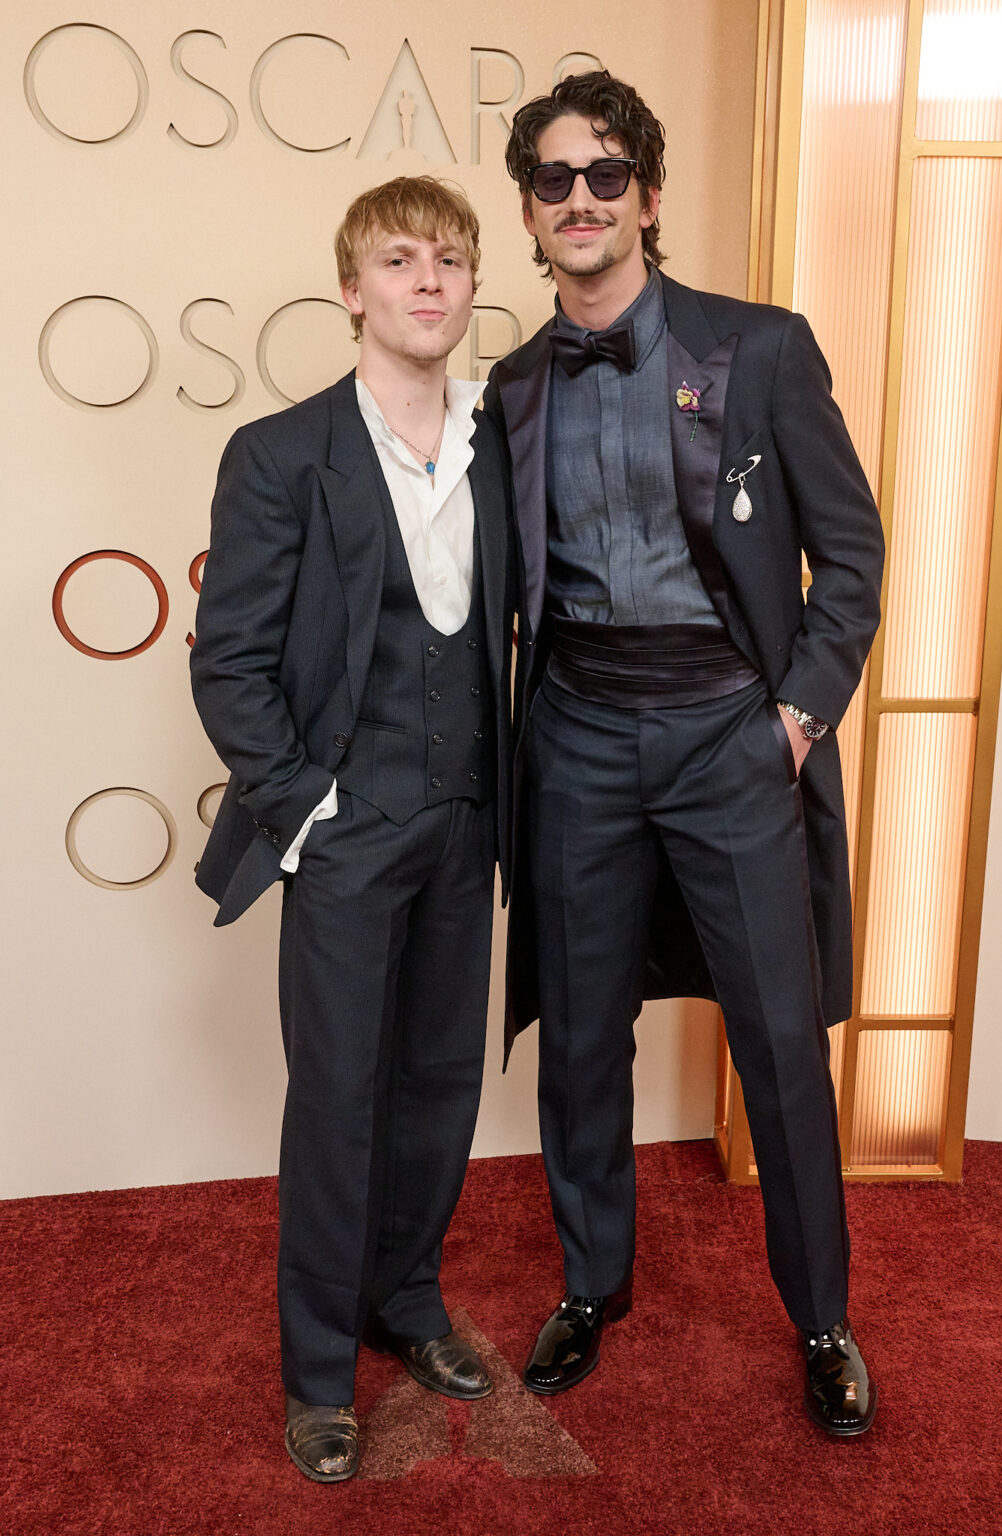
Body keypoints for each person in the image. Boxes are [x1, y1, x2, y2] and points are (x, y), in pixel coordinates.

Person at [484, 71, 884, 1436]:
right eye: (554, 180)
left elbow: (852, 555)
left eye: (606, 175)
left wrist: (796, 720)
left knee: (779, 1039)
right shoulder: (514, 385)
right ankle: (592, 1283)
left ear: (649, 197)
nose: (581, 199)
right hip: (579, 737)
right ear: (530, 213)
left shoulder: (760, 348)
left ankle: (822, 1317)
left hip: (729, 733)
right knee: (581, 1035)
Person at [191, 176, 512, 1481]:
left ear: (471, 285)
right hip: (347, 826)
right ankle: (320, 1372)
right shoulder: (280, 454)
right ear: (352, 291)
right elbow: (230, 665)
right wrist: (311, 809)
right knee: (336, 1102)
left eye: (450, 260)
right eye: (399, 260)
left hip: (469, 821)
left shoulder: (507, 445)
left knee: (440, 1085)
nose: (428, 281)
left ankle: (407, 1302)